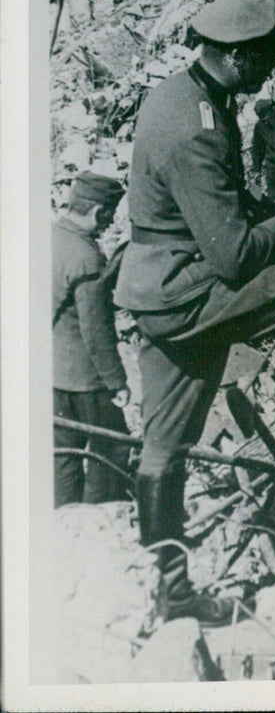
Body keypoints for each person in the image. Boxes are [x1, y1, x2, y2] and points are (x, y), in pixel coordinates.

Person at [114, 0, 275, 626]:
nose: (274, 66)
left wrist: (268, 213)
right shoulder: (198, 129)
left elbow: (221, 203)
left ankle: (172, 591)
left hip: (159, 289)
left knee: (164, 445)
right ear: (239, 57)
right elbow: (235, 256)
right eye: (268, 56)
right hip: (188, 292)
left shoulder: (186, 95)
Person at [53, 172, 131, 507]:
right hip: (86, 380)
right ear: (98, 211)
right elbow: (96, 331)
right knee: (111, 450)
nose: (109, 223)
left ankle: (65, 521)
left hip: (53, 373)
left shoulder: (50, 237)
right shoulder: (87, 255)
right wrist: (118, 382)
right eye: (109, 215)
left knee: (63, 454)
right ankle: (99, 518)